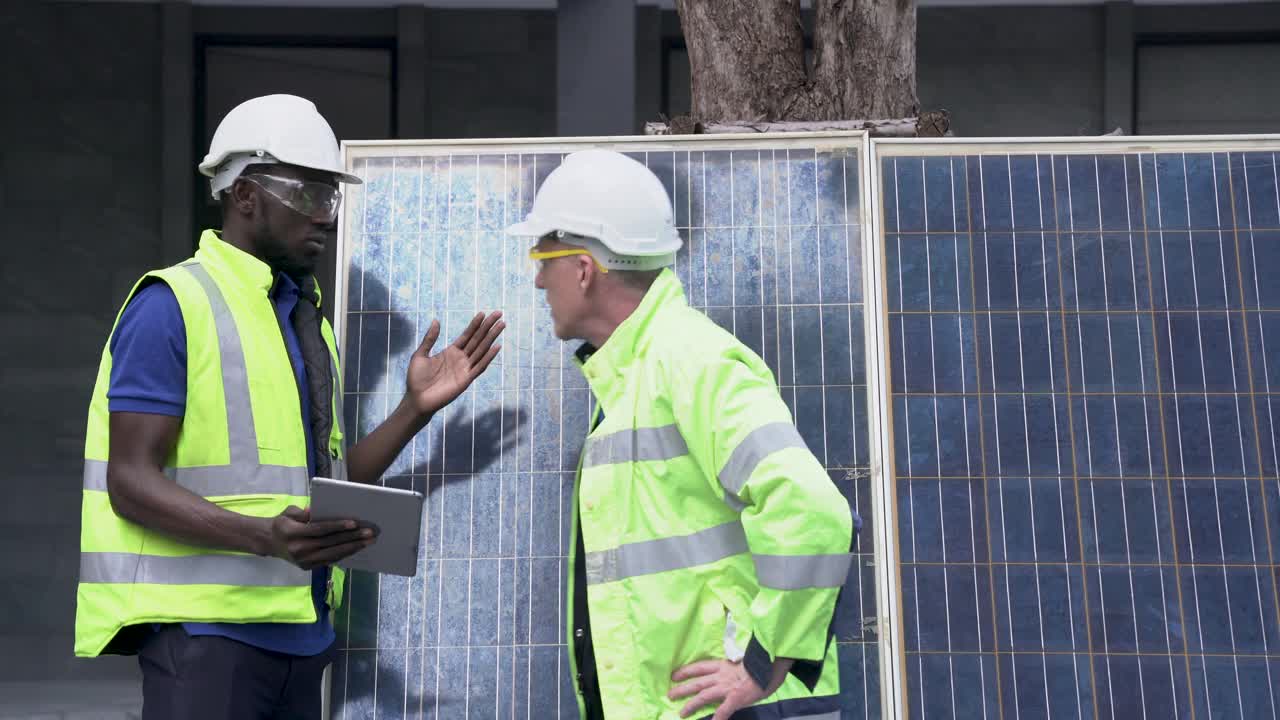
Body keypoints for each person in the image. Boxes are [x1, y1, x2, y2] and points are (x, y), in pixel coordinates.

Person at [73, 94, 505, 719]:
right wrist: (261, 538)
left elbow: (322, 491)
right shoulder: (172, 305)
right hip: (206, 645)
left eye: (330, 197)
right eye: (307, 195)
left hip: (302, 639)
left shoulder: (303, 320)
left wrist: (415, 410)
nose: (325, 217)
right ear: (244, 195)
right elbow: (129, 482)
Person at [506, 149, 859, 720]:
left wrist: (760, 664)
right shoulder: (637, 375)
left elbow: (814, 511)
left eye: (544, 256)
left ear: (583, 268)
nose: (538, 276)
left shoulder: (693, 362)